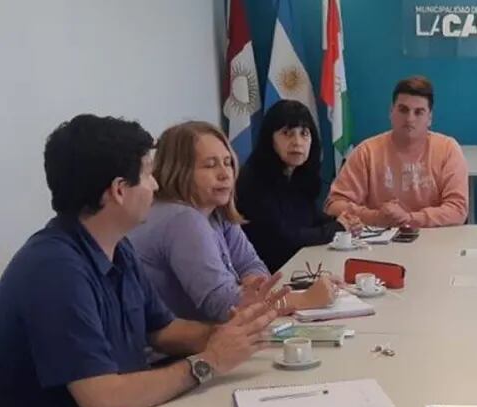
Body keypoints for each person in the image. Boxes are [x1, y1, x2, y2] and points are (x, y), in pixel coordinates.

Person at [0, 115, 279, 407]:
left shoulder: (116, 247)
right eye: (148, 175)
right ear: (117, 191)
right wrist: (209, 362)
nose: (156, 186)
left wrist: (233, 332)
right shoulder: (55, 269)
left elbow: (162, 330)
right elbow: (102, 401)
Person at [129, 121, 336, 323]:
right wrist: (306, 299)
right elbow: (223, 306)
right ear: (178, 170)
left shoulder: (215, 211)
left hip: (212, 339)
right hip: (179, 351)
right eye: (210, 165)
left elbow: (251, 265)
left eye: (228, 163)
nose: (225, 174)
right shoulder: (181, 219)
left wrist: (255, 290)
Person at [324, 75, 469, 227]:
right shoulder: (367, 152)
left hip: (435, 242)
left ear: (430, 118)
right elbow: (333, 206)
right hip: (378, 243)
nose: (410, 119)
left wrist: (408, 218)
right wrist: (375, 217)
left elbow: (458, 209)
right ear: (391, 112)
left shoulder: (448, 149)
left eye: (418, 112)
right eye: (403, 110)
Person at [236, 100, 352, 273]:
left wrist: (343, 221)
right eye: (287, 133)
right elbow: (285, 238)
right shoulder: (254, 179)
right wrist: (337, 228)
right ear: (270, 139)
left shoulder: (297, 174)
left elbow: (309, 217)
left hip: (296, 266)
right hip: (266, 276)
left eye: (304, 133)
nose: (297, 142)